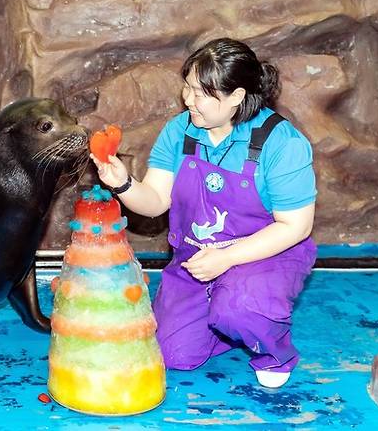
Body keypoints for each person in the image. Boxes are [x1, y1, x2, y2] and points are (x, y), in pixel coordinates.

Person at [91, 38, 317, 389]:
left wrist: (227, 259)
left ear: (237, 97)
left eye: (200, 93)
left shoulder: (282, 144)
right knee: (172, 355)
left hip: (265, 256)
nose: (187, 100)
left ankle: (273, 350)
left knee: (243, 307)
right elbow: (155, 201)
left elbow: (295, 226)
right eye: (188, 87)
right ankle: (225, 322)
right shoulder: (180, 130)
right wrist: (123, 183)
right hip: (195, 258)